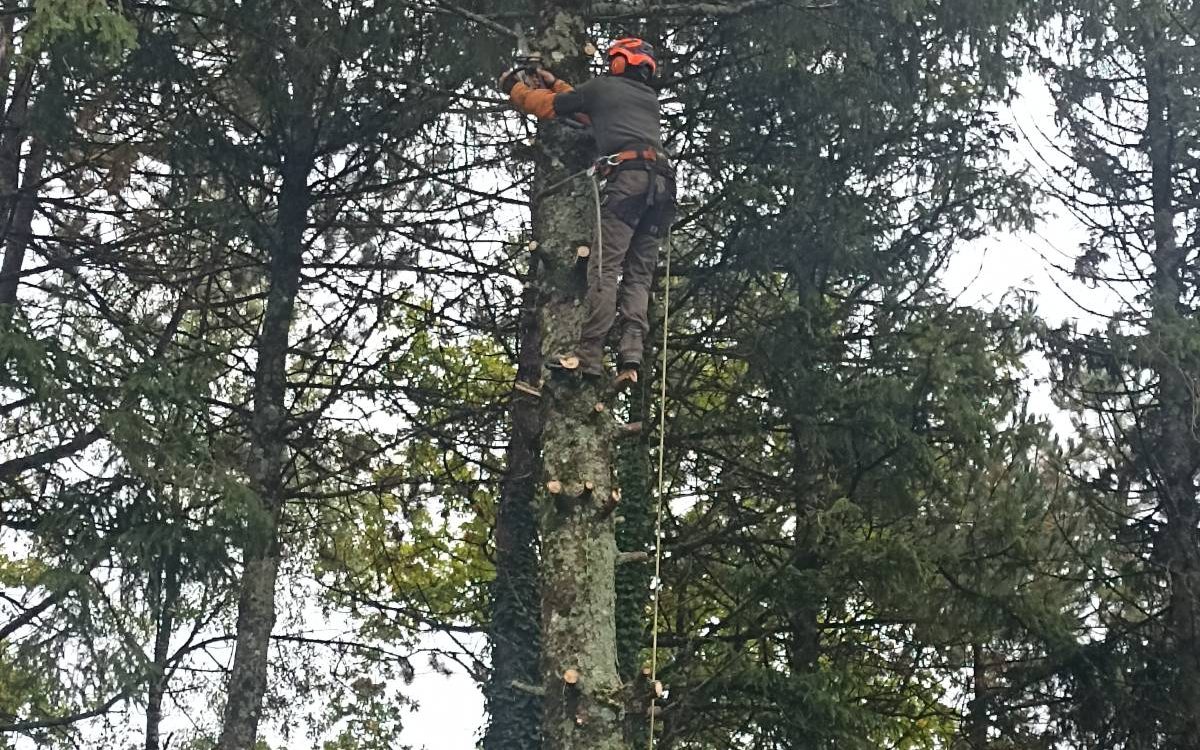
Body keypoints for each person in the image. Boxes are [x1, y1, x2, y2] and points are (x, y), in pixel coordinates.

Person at [500, 38, 676, 384]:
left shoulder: (604, 88)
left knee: (604, 267)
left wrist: (514, 88)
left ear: (623, 61)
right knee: (639, 275)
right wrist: (557, 83)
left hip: (629, 182)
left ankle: (589, 357)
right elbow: (588, 111)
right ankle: (630, 358)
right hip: (663, 187)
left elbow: (551, 107)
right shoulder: (647, 100)